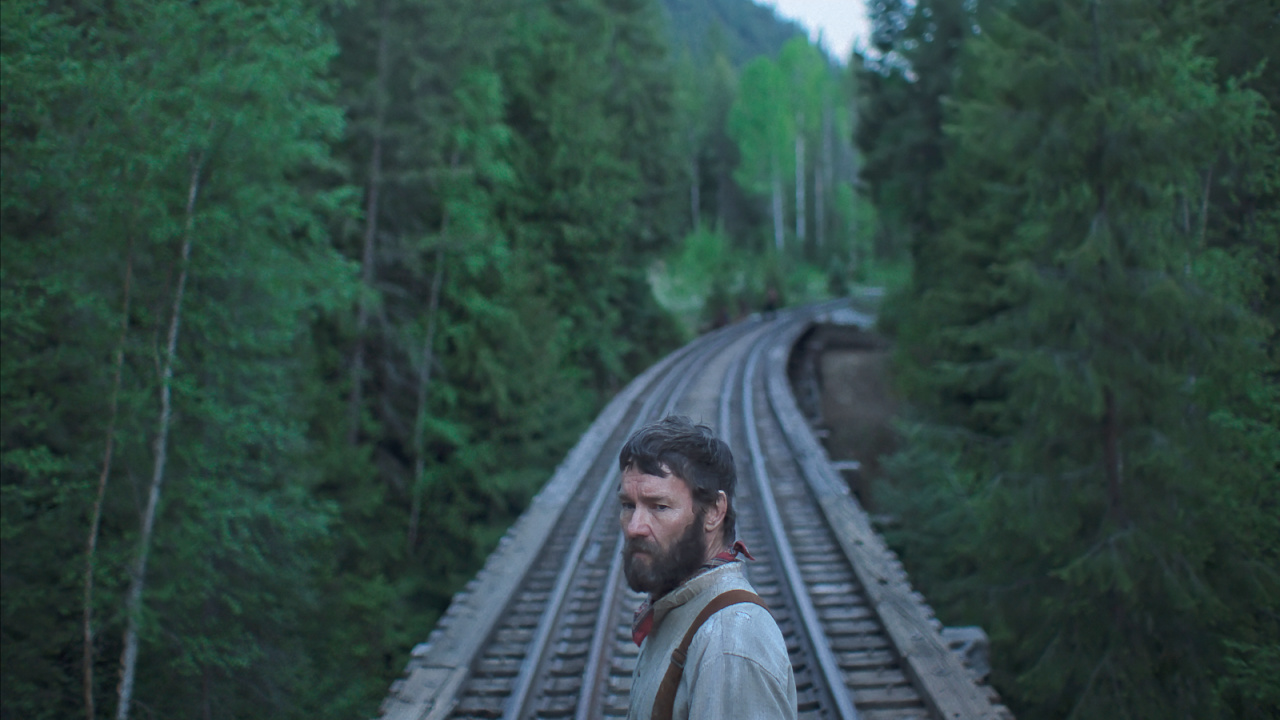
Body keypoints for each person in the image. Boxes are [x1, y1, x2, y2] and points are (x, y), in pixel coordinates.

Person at [616, 416, 797, 720]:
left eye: (659, 507)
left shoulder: (729, 644)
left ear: (714, 511)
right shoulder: (681, 610)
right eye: (628, 506)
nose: (635, 527)